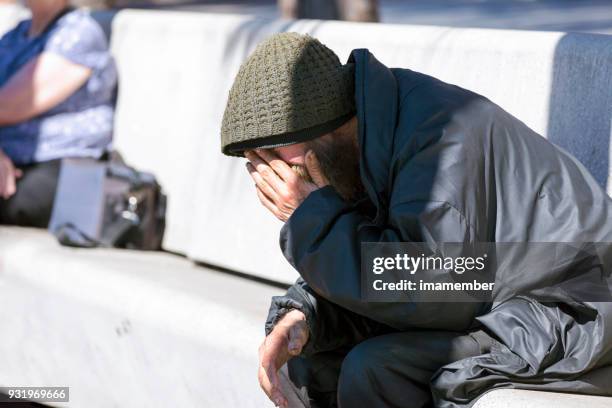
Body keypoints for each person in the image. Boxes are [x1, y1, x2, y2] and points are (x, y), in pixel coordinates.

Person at [221, 33, 612, 407]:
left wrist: (310, 218)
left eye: (273, 153)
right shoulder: (361, 144)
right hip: (496, 299)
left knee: (377, 370)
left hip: (574, 312)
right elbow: (390, 259)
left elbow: (438, 288)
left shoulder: (439, 139)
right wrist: (305, 315)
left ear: (322, 130)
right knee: (307, 357)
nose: (267, 172)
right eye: (252, 159)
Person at [0, 0, 117, 228]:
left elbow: (7, 106)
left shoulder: (78, 33)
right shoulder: (15, 35)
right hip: (13, 161)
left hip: (60, 168)